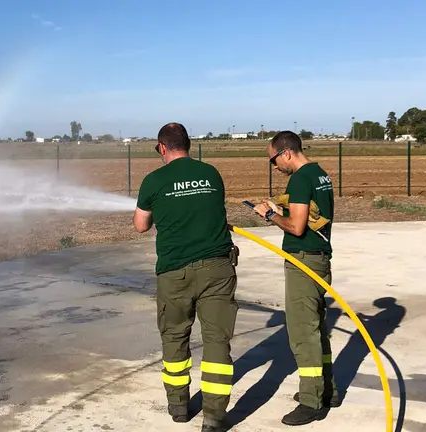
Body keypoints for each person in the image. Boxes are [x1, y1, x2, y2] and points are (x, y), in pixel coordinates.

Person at [133, 122, 239, 432]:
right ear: (188, 145)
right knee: (217, 341)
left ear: (162, 147)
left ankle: (178, 406)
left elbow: (140, 225)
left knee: (175, 337)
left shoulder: (153, 181)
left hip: (175, 274)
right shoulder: (211, 174)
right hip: (218, 269)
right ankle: (215, 417)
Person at [251, 130, 340, 426]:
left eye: (274, 160)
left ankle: (312, 402)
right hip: (319, 259)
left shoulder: (300, 179)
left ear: (286, 152)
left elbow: (297, 227)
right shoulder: (319, 174)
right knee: (316, 328)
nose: (274, 167)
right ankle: (328, 390)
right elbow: (311, 214)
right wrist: (282, 208)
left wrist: (268, 215)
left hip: (303, 261)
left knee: (303, 333)